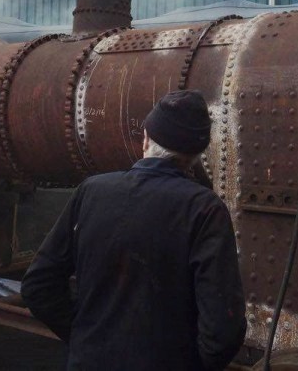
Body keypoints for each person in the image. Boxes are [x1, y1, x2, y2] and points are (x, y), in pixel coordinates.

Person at [21, 90, 247, 371]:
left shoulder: (92, 191)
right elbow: (224, 327)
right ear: (196, 154)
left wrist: (84, 337)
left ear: (146, 139)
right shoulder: (204, 210)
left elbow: (38, 287)